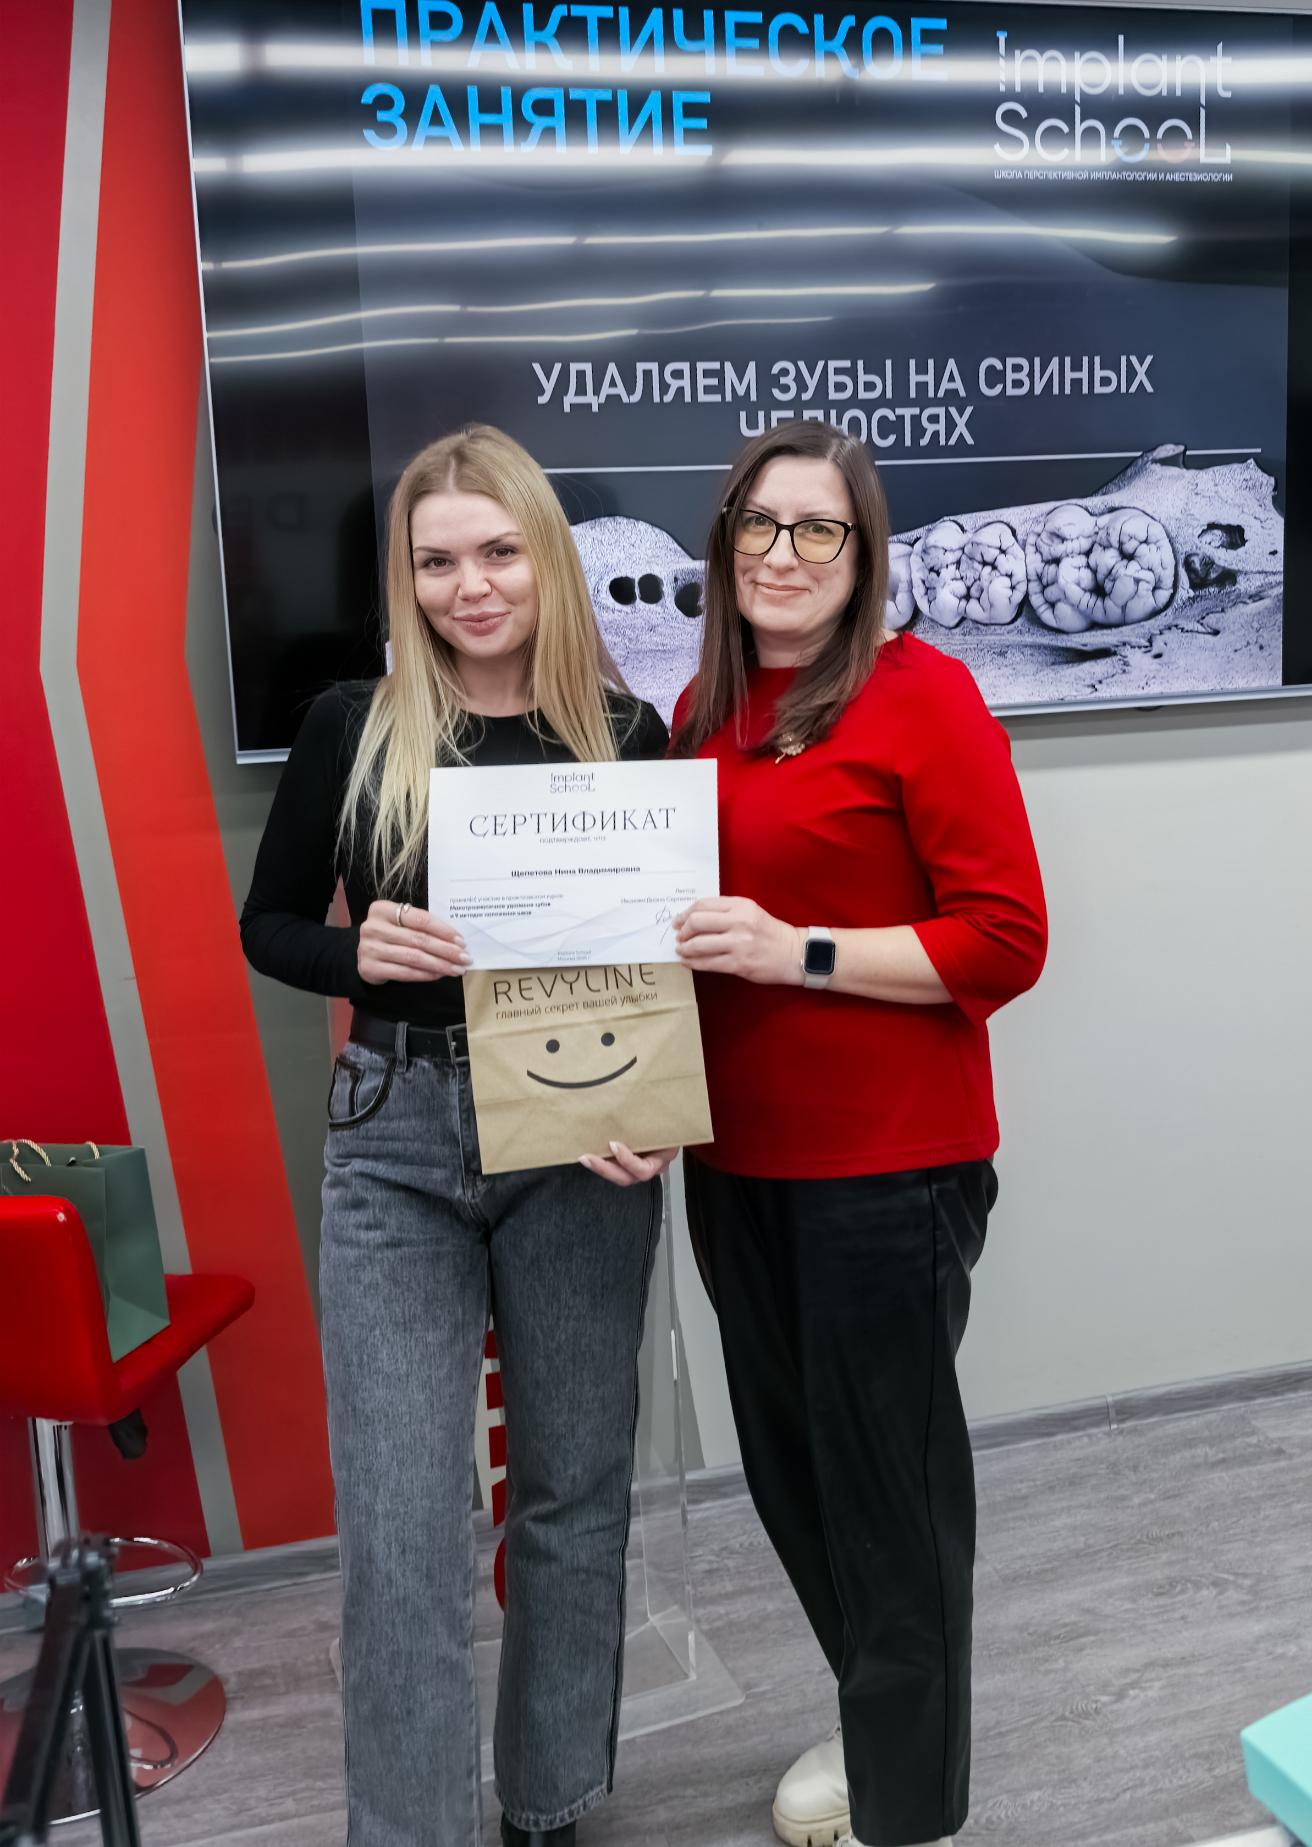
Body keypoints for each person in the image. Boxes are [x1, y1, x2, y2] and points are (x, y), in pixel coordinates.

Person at [240, 425, 675, 1847]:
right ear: (404, 578)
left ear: (546, 556)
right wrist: (360, 956)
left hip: (582, 1136)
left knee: (572, 1493)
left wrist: (653, 1109)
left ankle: (548, 1805)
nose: (469, 587)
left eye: (497, 553)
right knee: (402, 1526)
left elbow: (658, 969)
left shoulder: (628, 738)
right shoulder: (351, 727)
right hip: (398, 1134)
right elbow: (269, 925)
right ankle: (413, 1828)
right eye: (436, 562)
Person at [668, 421, 1048, 1847]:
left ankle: (910, 1810)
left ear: (863, 551)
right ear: (724, 542)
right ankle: (878, 1717)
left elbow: (1006, 939)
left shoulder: (923, 698)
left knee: (889, 1498)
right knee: (794, 1480)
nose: (783, 553)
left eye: (817, 528)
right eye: (757, 525)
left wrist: (800, 953)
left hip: (889, 1173)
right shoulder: (697, 711)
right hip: (733, 1165)